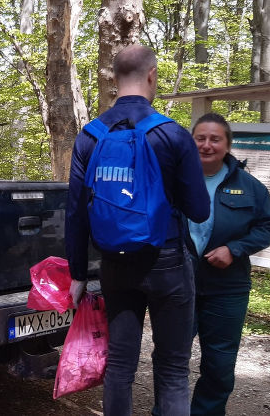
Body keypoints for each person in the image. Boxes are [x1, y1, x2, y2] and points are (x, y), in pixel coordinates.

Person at [65, 45, 210, 416]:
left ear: (114, 79)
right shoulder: (173, 135)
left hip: (114, 264)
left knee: (120, 366)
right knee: (173, 369)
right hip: (167, 263)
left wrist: (78, 273)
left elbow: (76, 212)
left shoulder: (90, 136)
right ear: (152, 75)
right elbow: (198, 209)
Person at [188, 113, 270, 415]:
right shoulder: (173, 181)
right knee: (170, 358)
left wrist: (235, 248)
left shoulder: (251, 187)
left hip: (227, 289)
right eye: (200, 138)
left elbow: (268, 226)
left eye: (215, 139)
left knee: (219, 364)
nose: (206, 144)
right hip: (178, 285)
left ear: (228, 144)